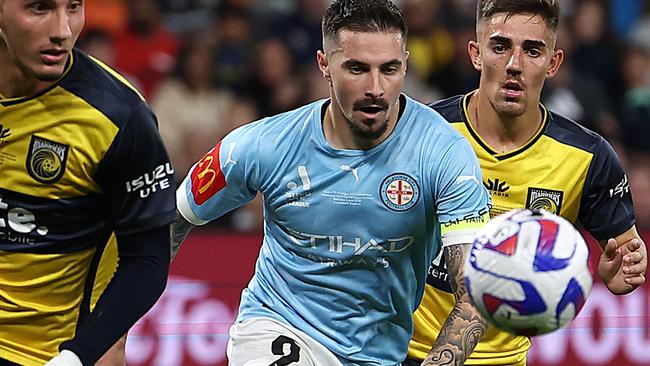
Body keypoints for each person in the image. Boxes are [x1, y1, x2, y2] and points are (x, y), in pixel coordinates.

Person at [171, 0, 491, 364]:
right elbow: (175, 217)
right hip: (279, 328)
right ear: (324, 64)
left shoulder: (444, 154)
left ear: (405, 62)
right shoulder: (263, 145)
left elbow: (473, 293)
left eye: (389, 69)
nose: (375, 87)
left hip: (378, 353)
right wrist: (117, 314)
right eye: (357, 69)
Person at [406, 1, 648, 365]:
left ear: (554, 63)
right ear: (476, 53)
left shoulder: (588, 157)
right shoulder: (420, 132)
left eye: (532, 50)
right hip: (399, 351)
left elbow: (624, 265)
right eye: (500, 46)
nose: (514, 65)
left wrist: (622, 271)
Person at [0, 1, 175, 365]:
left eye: (74, 7)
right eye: (39, 8)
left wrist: (78, 356)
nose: (62, 31)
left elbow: (147, 259)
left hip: (45, 355)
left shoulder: (119, 117)